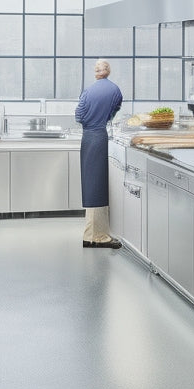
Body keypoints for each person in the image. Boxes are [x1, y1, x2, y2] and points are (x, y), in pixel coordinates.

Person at [75, 59, 123, 248]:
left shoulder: (88, 91)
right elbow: (114, 111)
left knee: (92, 184)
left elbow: (78, 116)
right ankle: (96, 237)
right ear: (108, 71)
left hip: (87, 137)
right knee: (97, 186)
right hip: (100, 137)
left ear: (96, 72)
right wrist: (103, 118)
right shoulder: (115, 90)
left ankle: (94, 234)